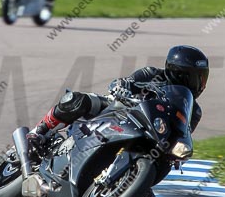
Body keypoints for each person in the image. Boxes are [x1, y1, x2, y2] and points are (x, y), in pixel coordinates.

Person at [26, 45, 209, 158]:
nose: (201, 83)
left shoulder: (194, 109)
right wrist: (123, 86)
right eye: (198, 78)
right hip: (120, 111)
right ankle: (39, 131)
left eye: (203, 78)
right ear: (180, 74)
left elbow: (184, 133)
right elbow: (127, 82)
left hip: (150, 135)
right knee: (77, 100)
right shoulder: (152, 74)